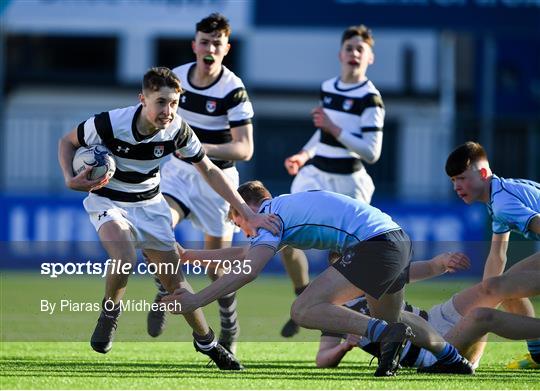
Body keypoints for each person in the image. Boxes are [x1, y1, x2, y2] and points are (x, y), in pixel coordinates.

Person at [57, 67, 279, 370]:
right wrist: (70, 179)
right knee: (123, 255)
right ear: (142, 99)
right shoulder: (109, 123)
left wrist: (248, 213)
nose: (168, 110)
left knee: (176, 283)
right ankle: (110, 312)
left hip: (150, 205)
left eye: (174, 103)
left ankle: (208, 343)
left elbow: (211, 171)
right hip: (109, 199)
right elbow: (67, 142)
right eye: (161, 102)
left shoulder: (177, 130)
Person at [163, 181, 475, 376]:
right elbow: (248, 254)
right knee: (395, 318)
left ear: (244, 208)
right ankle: (451, 358)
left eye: (237, 222)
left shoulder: (269, 218)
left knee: (302, 309)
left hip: (373, 246)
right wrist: (192, 256)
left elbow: (250, 269)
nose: (242, 231)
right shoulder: (284, 207)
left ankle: (384, 332)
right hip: (396, 240)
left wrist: (197, 299)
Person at [146, 13, 253, 355]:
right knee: (157, 230)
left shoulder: (233, 90)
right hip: (178, 175)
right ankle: (166, 290)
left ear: (226, 48)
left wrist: (201, 149)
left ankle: (229, 322)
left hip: (217, 179)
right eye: (204, 42)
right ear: (194, 45)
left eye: (216, 44)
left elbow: (245, 147)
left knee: (214, 266)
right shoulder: (176, 78)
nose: (209, 49)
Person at [280, 24, 385, 338]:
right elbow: (322, 131)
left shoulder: (371, 99)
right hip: (315, 174)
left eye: (360, 49)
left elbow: (372, 152)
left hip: (349, 182)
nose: (354, 53)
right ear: (340, 54)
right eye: (349, 48)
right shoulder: (329, 86)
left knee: (342, 259)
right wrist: (304, 154)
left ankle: (335, 320)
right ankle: (303, 296)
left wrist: (334, 128)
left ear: (370, 58)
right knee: (285, 234)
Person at [316, 252, 540, 370]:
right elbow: (322, 359)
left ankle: (537, 353)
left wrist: (443, 261)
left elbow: (429, 267)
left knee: (496, 286)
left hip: (435, 317)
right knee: (482, 316)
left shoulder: (377, 275)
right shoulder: (333, 310)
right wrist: (345, 347)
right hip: (431, 353)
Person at [446, 141, 540, 369]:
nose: (457, 186)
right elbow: (497, 256)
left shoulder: (503, 204)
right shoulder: (498, 196)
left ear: (484, 173)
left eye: (462, 178)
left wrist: (481, 314)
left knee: (502, 287)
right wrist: (485, 297)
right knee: (502, 286)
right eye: (453, 180)